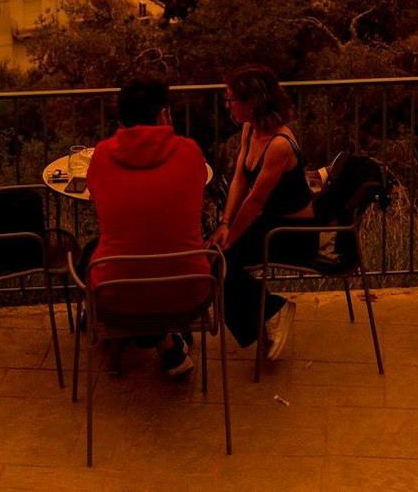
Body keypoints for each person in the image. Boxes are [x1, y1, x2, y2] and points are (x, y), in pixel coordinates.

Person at [82, 78, 211, 377]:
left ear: (121, 118)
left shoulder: (102, 154)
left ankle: (156, 341)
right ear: (164, 114)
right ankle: (166, 343)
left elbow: (95, 194)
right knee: (147, 265)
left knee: (92, 255)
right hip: (188, 291)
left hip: (117, 296)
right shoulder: (190, 151)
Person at [212, 65, 315, 360]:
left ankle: (273, 311)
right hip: (270, 222)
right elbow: (240, 179)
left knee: (220, 261)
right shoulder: (251, 129)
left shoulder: (279, 144)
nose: (227, 105)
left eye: (231, 99)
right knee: (214, 257)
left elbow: (255, 200)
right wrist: (225, 223)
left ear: (253, 101)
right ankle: (267, 315)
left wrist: (230, 237)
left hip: (293, 234)